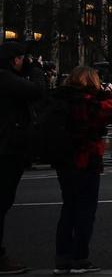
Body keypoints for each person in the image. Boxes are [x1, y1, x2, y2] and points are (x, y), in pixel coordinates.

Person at [51, 66, 112, 275]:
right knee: (85, 210)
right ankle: (80, 258)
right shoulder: (86, 102)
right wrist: (111, 95)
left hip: (63, 161)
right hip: (85, 159)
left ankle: (62, 259)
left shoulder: (62, 98)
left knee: (68, 208)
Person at [0, 42, 47, 275]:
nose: (24, 62)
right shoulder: (4, 78)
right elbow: (37, 91)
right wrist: (35, 70)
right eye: (22, 58)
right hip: (6, 149)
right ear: (13, 59)